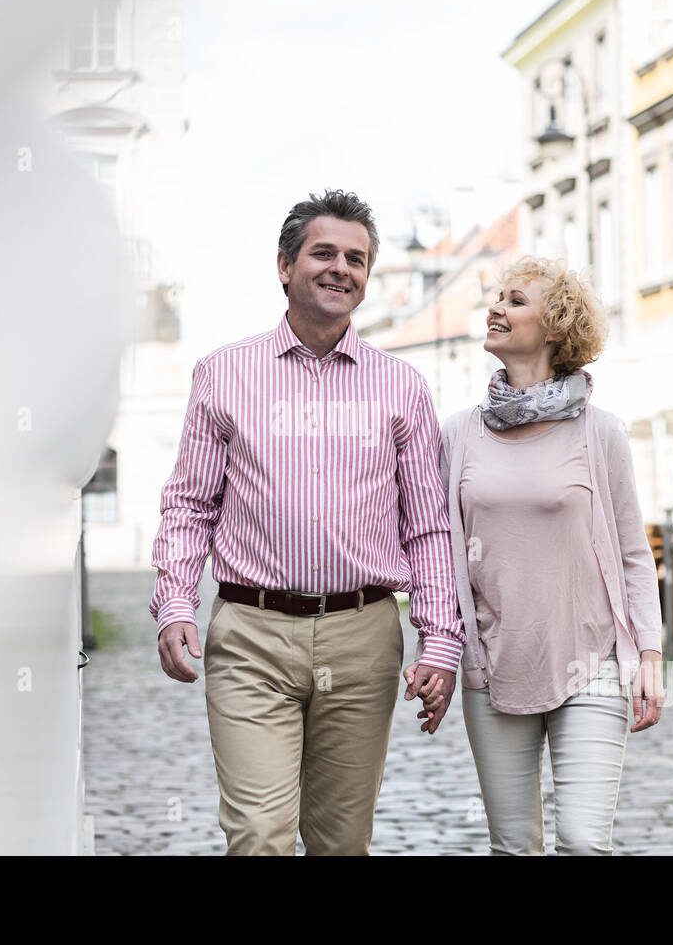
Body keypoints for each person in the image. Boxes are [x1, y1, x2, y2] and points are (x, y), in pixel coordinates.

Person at [149, 189, 464, 856]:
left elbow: (428, 527)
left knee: (340, 842)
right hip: (251, 638)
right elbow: (189, 503)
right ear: (285, 266)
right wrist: (175, 600)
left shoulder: (401, 386)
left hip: (363, 639)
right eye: (324, 252)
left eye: (357, 258)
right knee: (258, 837)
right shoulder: (224, 375)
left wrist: (440, 639)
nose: (341, 268)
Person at [412, 255, 665, 855]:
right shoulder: (456, 434)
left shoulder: (601, 433)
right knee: (514, 846)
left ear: (555, 328)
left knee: (582, 840)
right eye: (497, 297)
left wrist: (649, 653)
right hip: (494, 664)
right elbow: (432, 550)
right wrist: (441, 647)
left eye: (516, 299)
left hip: (591, 661)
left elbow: (633, 553)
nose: (496, 307)